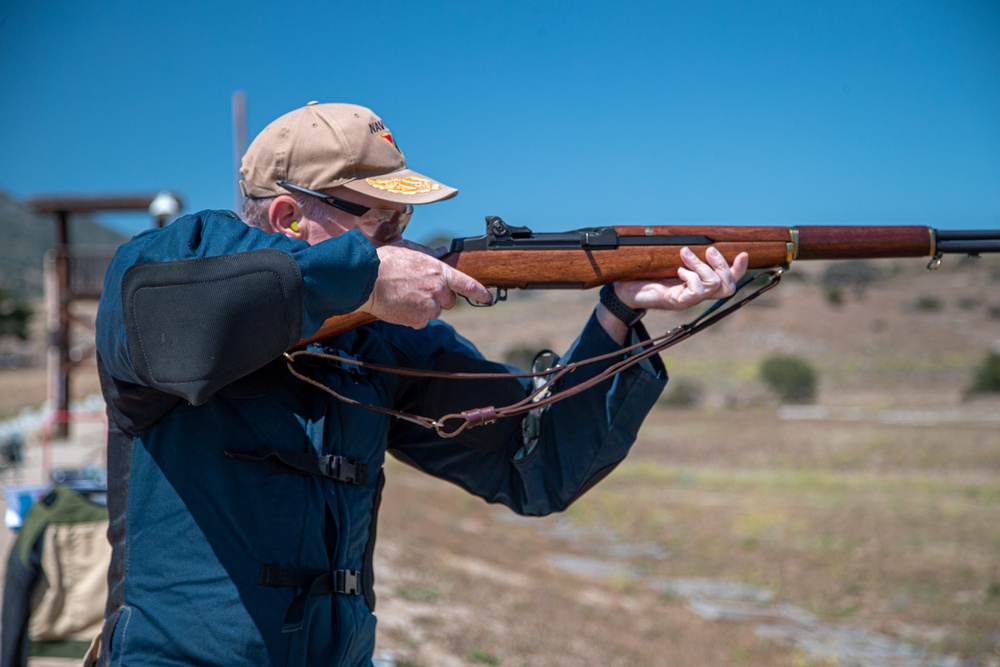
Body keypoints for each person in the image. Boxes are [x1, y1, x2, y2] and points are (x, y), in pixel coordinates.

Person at [93, 101, 749, 666]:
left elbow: (534, 461)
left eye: (403, 226)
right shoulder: (177, 259)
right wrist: (362, 276)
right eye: (382, 221)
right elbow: (177, 331)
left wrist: (619, 313)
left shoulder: (381, 338)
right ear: (290, 216)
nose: (402, 242)